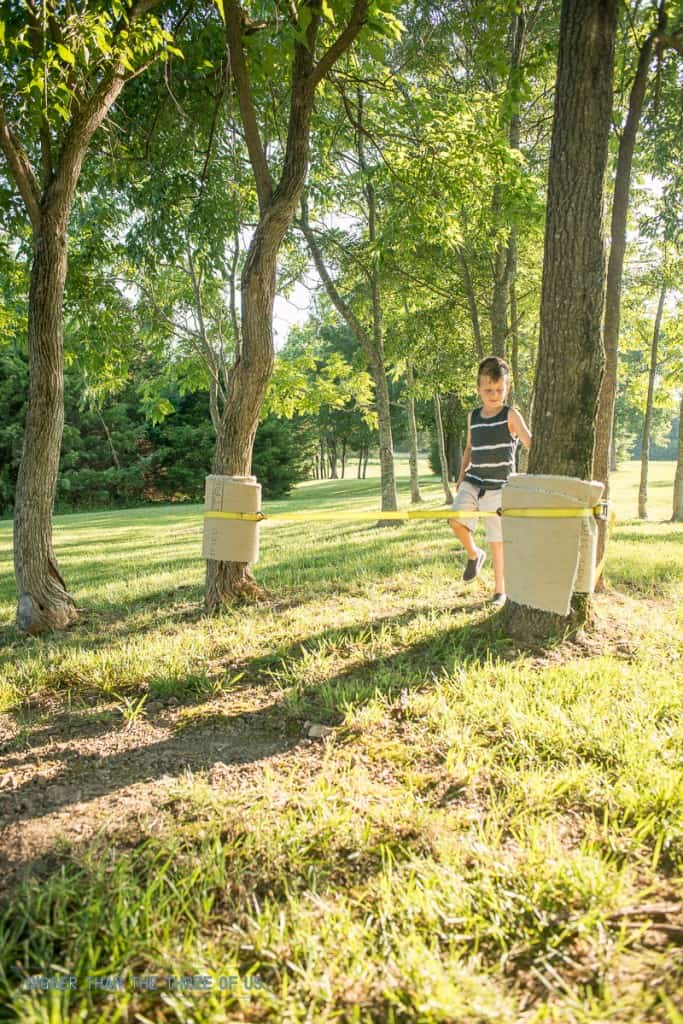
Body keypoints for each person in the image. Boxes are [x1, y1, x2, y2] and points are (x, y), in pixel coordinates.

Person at [449, 356, 532, 607]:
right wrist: (461, 476)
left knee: (497, 542)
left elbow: (531, 444)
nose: (494, 395)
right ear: (478, 389)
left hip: (500, 486)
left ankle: (499, 592)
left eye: (499, 389)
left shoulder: (511, 414)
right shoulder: (473, 416)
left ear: (506, 389)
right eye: (488, 390)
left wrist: (527, 479)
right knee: (455, 519)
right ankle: (474, 554)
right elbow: (469, 448)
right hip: (473, 481)